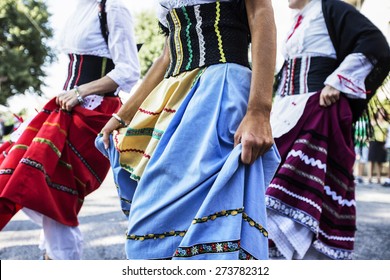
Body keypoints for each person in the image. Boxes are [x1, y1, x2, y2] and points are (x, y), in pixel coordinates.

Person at [95, 0, 280, 260]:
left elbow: (260, 11)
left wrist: (259, 110)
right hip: (176, 96)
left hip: (219, 91)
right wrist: (123, 115)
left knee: (209, 224)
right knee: (150, 231)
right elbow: (167, 55)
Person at [0, 0, 140, 260]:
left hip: (92, 113)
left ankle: (59, 260)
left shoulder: (112, 9)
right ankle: (52, 255)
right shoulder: (78, 9)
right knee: (18, 170)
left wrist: (80, 91)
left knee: (55, 189)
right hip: (67, 107)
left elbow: (129, 71)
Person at [266, 0, 390, 260]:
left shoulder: (329, 7)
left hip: (315, 114)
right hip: (286, 113)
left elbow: (376, 44)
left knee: (295, 199)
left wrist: (338, 81)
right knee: (271, 193)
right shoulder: (298, 20)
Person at [367, 109, 388, 184]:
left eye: (382, 113)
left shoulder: (386, 124)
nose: (381, 114)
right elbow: (369, 132)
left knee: (380, 161)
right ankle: (370, 177)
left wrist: (387, 144)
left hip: (382, 143)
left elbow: (387, 135)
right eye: (379, 113)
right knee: (371, 160)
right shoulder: (374, 122)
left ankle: (378, 177)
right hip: (373, 142)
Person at [353, 114, 371, 184]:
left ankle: (360, 176)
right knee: (355, 159)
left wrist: (367, 139)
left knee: (363, 159)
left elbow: (369, 130)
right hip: (356, 142)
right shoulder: (355, 117)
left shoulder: (366, 119)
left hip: (364, 143)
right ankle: (353, 175)